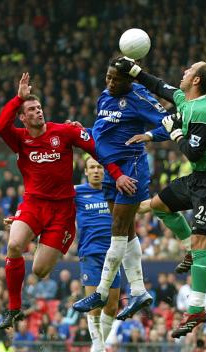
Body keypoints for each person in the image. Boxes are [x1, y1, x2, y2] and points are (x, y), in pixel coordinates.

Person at [0, 73, 136, 329]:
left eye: (39, 108)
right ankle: (14, 308)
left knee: (39, 271)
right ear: (23, 117)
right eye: (31, 110)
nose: (38, 112)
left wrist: (116, 175)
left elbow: (97, 149)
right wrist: (18, 98)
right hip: (33, 205)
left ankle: (45, 237)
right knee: (14, 244)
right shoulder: (19, 139)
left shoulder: (64, 132)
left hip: (62, 212)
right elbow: (1, 126)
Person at [112, 57, 206, 338]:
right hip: (196, 179)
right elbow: (158, 86)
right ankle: (188, 246)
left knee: (203, 246)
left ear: (197, 80)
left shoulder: (203, 110)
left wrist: (174, 132)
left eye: (189, 70)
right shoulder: (184, 99)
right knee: (159, 206)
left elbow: (193, 152)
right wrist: (133, 69)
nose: (184, 70)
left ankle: (196, 308)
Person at [73, 58, 170, 319]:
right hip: (110, 171)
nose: (111, 83)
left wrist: (150, 136)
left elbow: (172, 122)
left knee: (117, 228)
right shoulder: (104, 97)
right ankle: (138, 290)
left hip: (131, 169)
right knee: (126, 231)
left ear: (130, 80)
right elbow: (103, 133)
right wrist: (84, 130)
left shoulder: (140, 97)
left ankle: (102, 291)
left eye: (117, 79)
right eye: (108, 77)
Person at [75, 157, 120, 352]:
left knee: (112, 306)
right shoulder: (77, 192)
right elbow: (48, 201)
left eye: (99, 167)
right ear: (85, 172)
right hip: (91, 254)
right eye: (92, 167)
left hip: (113, 253)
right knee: (95, 306)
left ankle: (94, 351)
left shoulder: (113, 190)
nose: (96, 171)